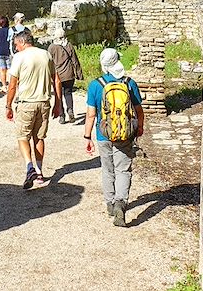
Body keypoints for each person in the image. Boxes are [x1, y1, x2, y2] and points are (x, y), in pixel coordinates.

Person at [83, 48, 144, 226]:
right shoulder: (129, 83)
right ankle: (120, 203)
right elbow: (139, 110)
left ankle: (110, 204)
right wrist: (139, 128)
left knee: (107, 169)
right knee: (123, 170)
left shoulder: (96, 85)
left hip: (103, 134)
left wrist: (87, 137)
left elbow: (91, 115)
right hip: (125, 135)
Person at [5, 29, 62, 190]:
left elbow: (12, 85)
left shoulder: (19, 57)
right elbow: (57, 80)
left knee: (22, 136)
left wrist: (8, 106)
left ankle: (30, 167)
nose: (15, 48)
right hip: (44, 102)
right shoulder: (46, 54)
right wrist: (58, 104)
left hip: (26, 103)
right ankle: (39, 172)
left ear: (22, 42)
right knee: (39, 138)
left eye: (16, 44)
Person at [47, 28, 84, 124]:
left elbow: (48, 62)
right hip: (69, 74)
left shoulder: (52, 47)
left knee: (58, 95)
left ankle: (62, 116)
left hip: (57, 76)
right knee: (68, 93)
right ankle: (70, 110)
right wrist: (79, 74)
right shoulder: (69, 45)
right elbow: (75, 61)